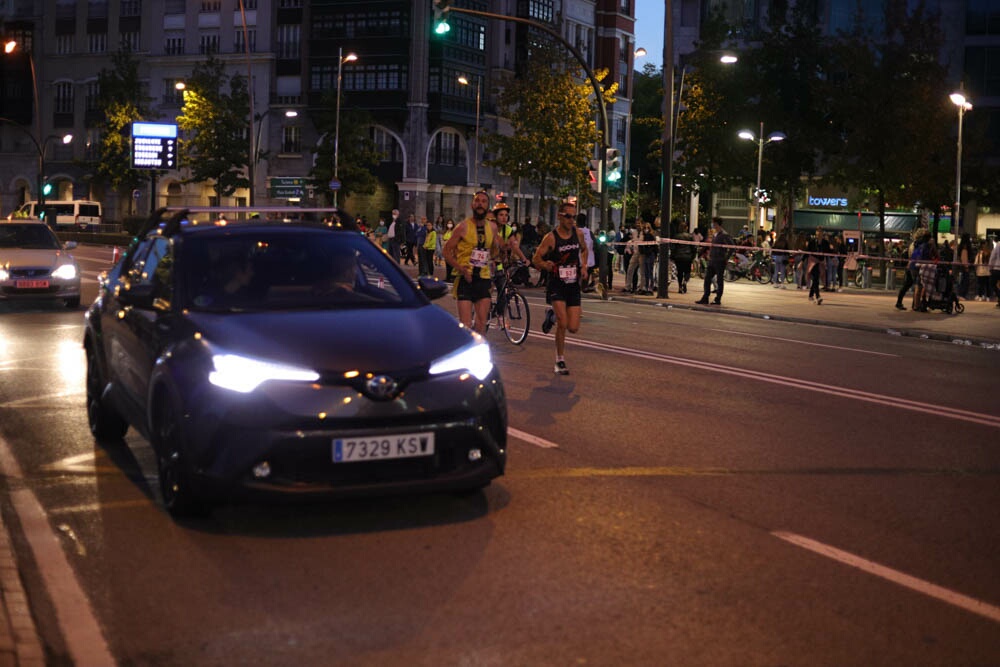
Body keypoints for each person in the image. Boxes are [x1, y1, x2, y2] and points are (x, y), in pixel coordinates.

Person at [532, 200, 587, 375]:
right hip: (557, 284)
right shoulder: (551, 238)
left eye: (574, 216)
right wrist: (545, 265)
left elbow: (584, 250)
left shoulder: (578, 234)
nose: (572, 220)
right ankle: (560, 360)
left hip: (573, 286)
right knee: (563, 324)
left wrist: (584, 266)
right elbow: (536, 259)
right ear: (560, 217)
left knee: (574, 327)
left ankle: (552, 316)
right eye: (568, 216)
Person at [443, 191, 501, 334]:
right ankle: (465, 351)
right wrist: (460, 268)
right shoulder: (463, 227)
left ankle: (477, 353)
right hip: (466, 279)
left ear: (488, 206)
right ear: (472, 205)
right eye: (477, 201)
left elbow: (494, 252)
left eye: (483, 201)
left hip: (483, 278)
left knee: (481, 324)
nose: (480, 204)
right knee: (466, 325)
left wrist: (499, 251)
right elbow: (446, 251)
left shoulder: (492, 228)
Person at [696, 217, 732, 305]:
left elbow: (732, 246)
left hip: (720, 261)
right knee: (707, 279)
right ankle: (705, 297)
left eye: (713, 223)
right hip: (712, 260)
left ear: (716, 224)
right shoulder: (715, 234)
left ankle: (718, 299)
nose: (712, 225)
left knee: (719, 280)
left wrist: (726, 258)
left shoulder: (724, 235)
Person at [895, 234, 926, 310]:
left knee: (906, 285)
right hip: (914, 267)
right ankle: (915, 305)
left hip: (909, 266)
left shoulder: (912, 244)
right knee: (917, 285)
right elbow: (917, 256)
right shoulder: (918, 245)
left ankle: (899, 302)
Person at [671, 221, 694, 294]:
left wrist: (673, 256)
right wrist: (693, 256)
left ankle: (680, 287)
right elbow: (693, 247)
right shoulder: (690, 237)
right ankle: (685, 281)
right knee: (687, 271)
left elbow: (673, 247)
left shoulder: (676, 236)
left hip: (678, 257)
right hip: (687, 257)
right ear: (686, 228)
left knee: (680, 272)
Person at [990, 240, 1000, 308]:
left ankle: (999, 297)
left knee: (993, 284)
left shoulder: (998, 245)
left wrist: (990, 267)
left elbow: (993, 257)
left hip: (997, 268)